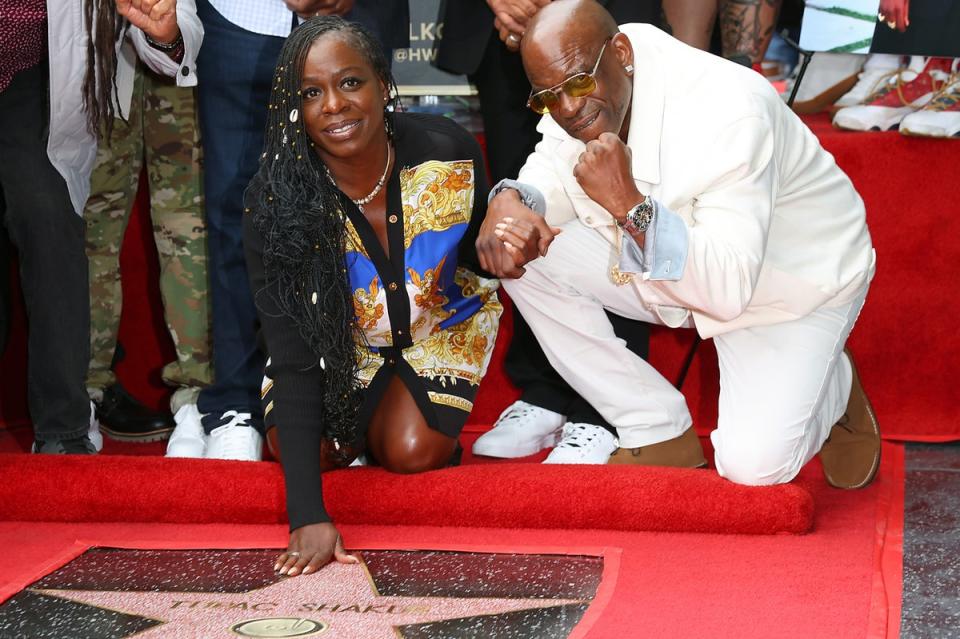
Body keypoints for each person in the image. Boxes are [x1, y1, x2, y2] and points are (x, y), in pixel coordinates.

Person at [477, 0, 881, 488]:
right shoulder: (585, 76)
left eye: (578, 85)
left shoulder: (731, 107)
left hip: (789, 285)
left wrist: (629, 207)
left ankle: (832, 385)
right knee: (526, 251)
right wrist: (512, 201)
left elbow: (729, 290)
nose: (566, 108)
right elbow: (549, 171)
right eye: (546, 98)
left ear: (621, 52)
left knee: (753, 468)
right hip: (679, 265)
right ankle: (654, 426)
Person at [243, 16, 501, 574]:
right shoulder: (276, 200)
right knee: (299, 451)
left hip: (437, 326)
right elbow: (291, 354)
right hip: (336, 345)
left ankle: (389, 422)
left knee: (409, 454)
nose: (333, 105)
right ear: (295, 106)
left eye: (350, 82)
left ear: (384, 86)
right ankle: (358, 426)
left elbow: (484, 256)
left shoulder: (447, 151)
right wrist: (306, 515)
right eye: (312, 92)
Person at [169, 0, 410, 461]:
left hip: (355, 14)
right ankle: (236, 404)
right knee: (234, 215)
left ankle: (348, 403)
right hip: (239, 18)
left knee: (354, 209)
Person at [436, 0, 659, 464]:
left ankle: (606, 409)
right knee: (528, 210)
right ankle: (546, 388)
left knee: (619, 189)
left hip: (605, 17)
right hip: (506, 28)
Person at [0, 0, 193, 454]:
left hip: (35, 74)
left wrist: (168, 34)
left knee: (48, 216)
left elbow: (171, 23)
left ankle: (63, 429)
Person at [83, 0, 208, 445]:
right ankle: (83, 393)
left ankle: (200, 398)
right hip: (88, 48)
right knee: (85, 221)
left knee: (190, 224)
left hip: (190, 36)